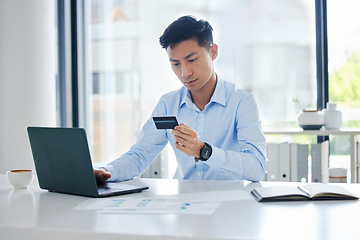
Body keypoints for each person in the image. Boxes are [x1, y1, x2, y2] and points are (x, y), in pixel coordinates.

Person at [94, 15, 266, 183]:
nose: (184, 73)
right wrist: (107, 171)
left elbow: (256, 168)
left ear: (213, 52)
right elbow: (140, 155)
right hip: (183, 203)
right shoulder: (168, 104)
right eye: (175, 64)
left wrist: (203, 150)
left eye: (192, 60)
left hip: (230, 205)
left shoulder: (242, 102)